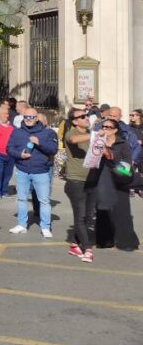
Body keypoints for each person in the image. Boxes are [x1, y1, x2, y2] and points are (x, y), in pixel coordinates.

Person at [6, 106, 58, 237]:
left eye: (31, 117)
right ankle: (22, 224)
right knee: (22, 199)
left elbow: (53, 150)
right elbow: (9, 148)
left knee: (44, 200)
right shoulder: (17, 132)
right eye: (26, 117)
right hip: (22, 170)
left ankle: (45, 226)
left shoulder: (48, 133)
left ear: (36, 118)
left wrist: (39, 142)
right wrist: (19, 154)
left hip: (41, 171)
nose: (28, 119)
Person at [91, 119, 140, 251]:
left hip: (119, 180)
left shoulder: (122, 144)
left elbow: (127, 165)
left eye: (108, 127)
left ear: (115, 130)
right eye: (103, 126)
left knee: (122, 212)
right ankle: (105, 240)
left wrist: (111, 158)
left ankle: (127, 242)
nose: (105, 128)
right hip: (102, 179)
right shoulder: (97, 142)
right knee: (103, 211)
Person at [63, 108, 95, 262]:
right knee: (81, 217)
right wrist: (94, 135)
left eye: (87, 115)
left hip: (90, 181)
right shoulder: (71, 132)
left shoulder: (90, 134)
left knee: (87, 217)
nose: (86, 118)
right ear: (75, 121)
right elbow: (73, 141)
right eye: (82, 116)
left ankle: (74, 245)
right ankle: (87, 249)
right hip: (75, 182)